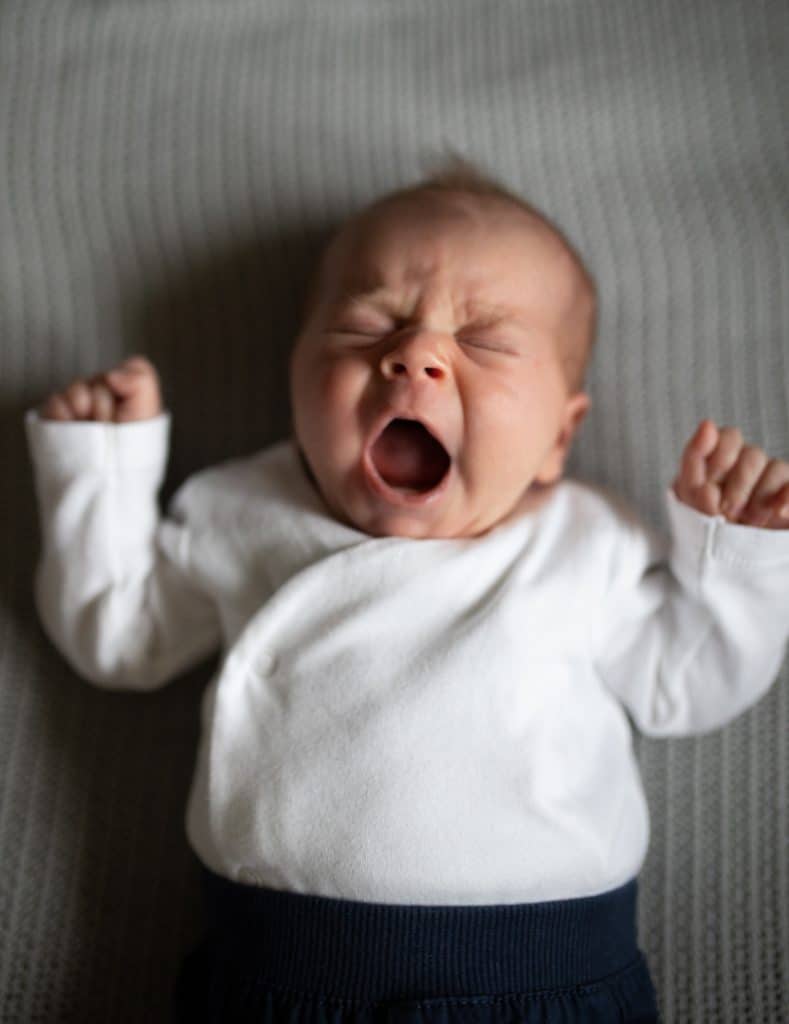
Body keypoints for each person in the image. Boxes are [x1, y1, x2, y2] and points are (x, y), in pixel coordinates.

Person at [24, 157, 789, 1023]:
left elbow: (686, 683)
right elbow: (119, 637)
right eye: (365, 327)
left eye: (486, 339)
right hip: (275, 977)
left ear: (556, 437)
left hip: (542, 982)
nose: (414, 354)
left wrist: (737, 556)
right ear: (293, 382)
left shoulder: (584, 541)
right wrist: (101, 475)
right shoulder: (242, 510)